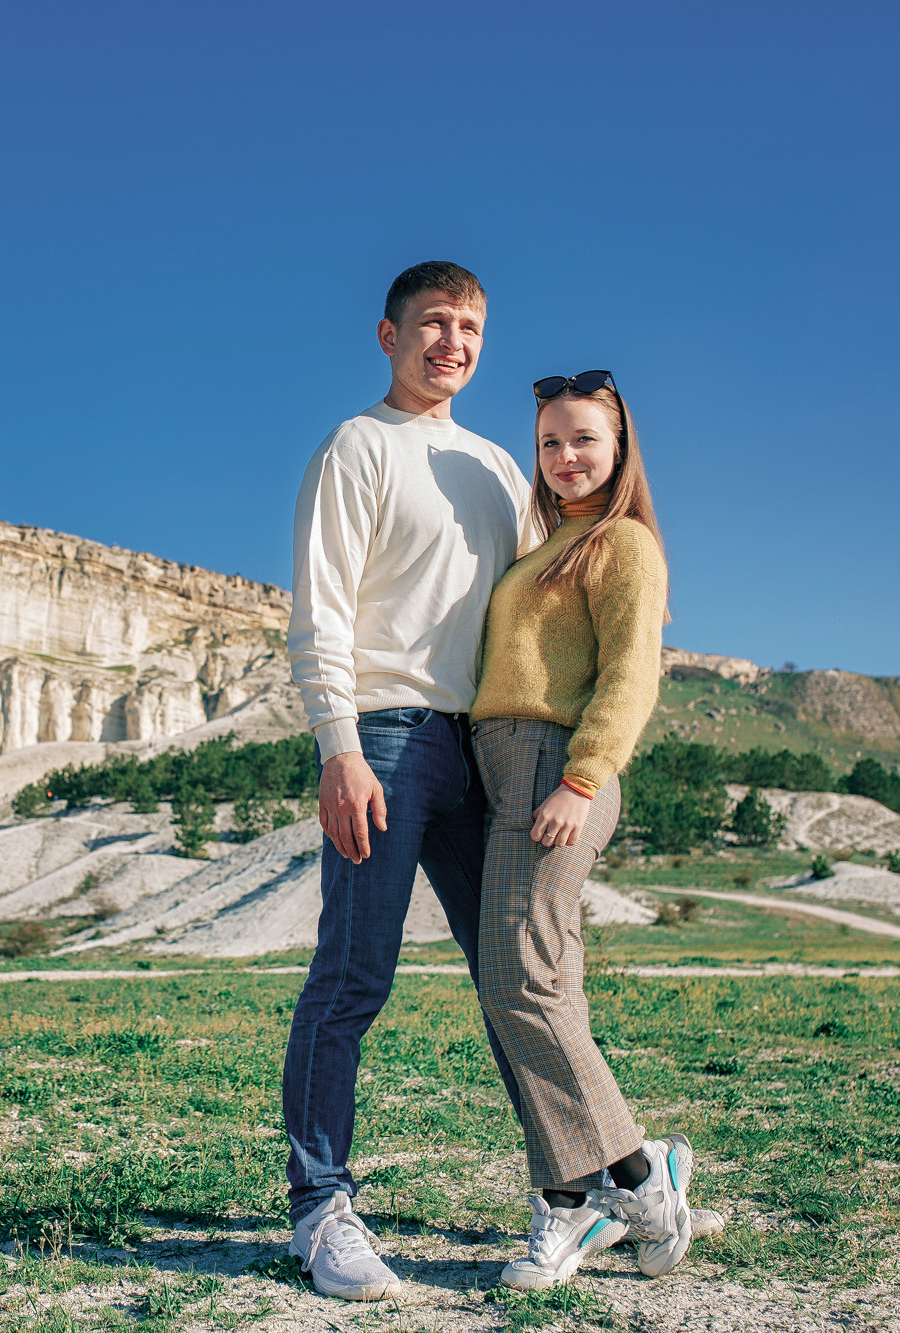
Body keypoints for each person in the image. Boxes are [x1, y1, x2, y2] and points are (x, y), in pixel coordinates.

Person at [282, 261, 530, 1300]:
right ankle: (319, 1209)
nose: (452, 343)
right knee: (353, 977)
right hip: (381, 735)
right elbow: (320, 610)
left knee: (521, 983)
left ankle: (572, 1186)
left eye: (468, 326)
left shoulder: (502, 468)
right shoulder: (357, 446)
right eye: (433, 323)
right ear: (387, 335)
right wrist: (337, 745)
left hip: (483, 746)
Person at [467, 369, 698, 1290]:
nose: (566, 457)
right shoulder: (541, 549)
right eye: (551, 443)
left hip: (554, 766)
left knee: (517, 979)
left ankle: (639, 1178)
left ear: (619, 449)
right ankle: (567, 1200)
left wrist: (582, 776)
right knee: (547, 985)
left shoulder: (624, 544)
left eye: (583, 441)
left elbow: (632, 672)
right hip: (505, 765)